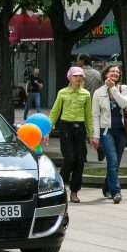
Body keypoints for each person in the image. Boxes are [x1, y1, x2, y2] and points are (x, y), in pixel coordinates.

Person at [47, 66, 92, 203]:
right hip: (66, 126)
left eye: (80, 76)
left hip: (80, 127)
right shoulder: (62, 93)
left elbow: (88, 116)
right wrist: (47, 130)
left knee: (80, 160)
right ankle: (58, 186)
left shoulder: (86, 94)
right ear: (70, 77)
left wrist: (91, 135)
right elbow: (54, 112)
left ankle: (74, 191)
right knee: (69, 158)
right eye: (75, 76)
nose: (78, 78)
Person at [91, 65, 127, 204]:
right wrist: (95, 136)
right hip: (106, 131)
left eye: (117, 72)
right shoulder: (98, 92)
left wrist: (113, 88)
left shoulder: (123, 88)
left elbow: (124, 104)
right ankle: (116, 192)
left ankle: (106, 187)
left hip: (121, 131)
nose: (115, 73)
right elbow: (95, 115)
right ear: (106, 74)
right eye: (112, 71)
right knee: (112, 161)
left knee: (116, 163)